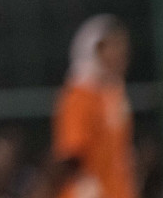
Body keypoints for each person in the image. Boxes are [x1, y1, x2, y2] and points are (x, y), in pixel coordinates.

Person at [47, 15, 135, 198]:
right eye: (113, 46)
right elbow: (71, 153)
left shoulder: (114, 92)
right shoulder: (79, 95)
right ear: (94, 50)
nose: (121, 53)